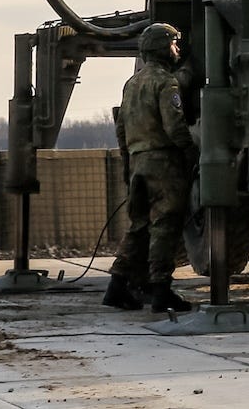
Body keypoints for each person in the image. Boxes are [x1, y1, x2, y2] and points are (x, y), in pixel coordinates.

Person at [106, 22, 196, 314]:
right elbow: (174, 126)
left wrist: (127, 163)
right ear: (161, 48)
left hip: (137, 162)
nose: (177, 49)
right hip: (163, 164)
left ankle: (116, 287)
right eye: (173, 43)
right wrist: (190, 151)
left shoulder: (131, 84)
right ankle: (161, 292)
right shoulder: (166, 82)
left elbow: (121, 128)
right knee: (165, 226)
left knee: (139, 226)